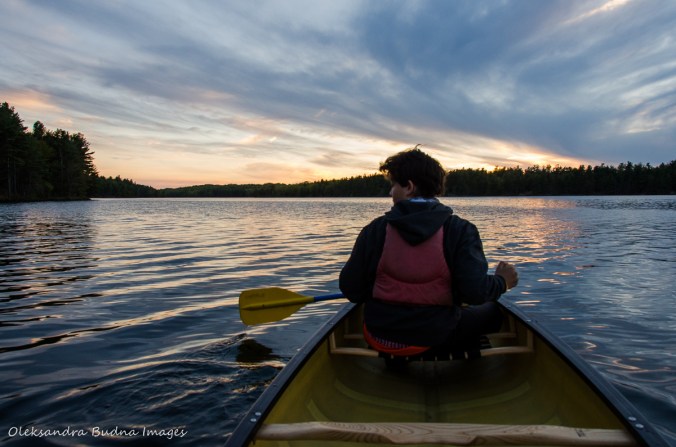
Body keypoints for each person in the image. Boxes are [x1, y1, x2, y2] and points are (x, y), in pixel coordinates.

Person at [339, 147, 518, 359]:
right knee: (494, 312)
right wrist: (502, 282)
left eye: (393, 185)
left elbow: (351, 290)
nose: (390, 192)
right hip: (439, 339)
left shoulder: (374, 230)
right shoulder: (461, 230)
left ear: (409, 187)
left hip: (380, 338)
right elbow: (475, 294)